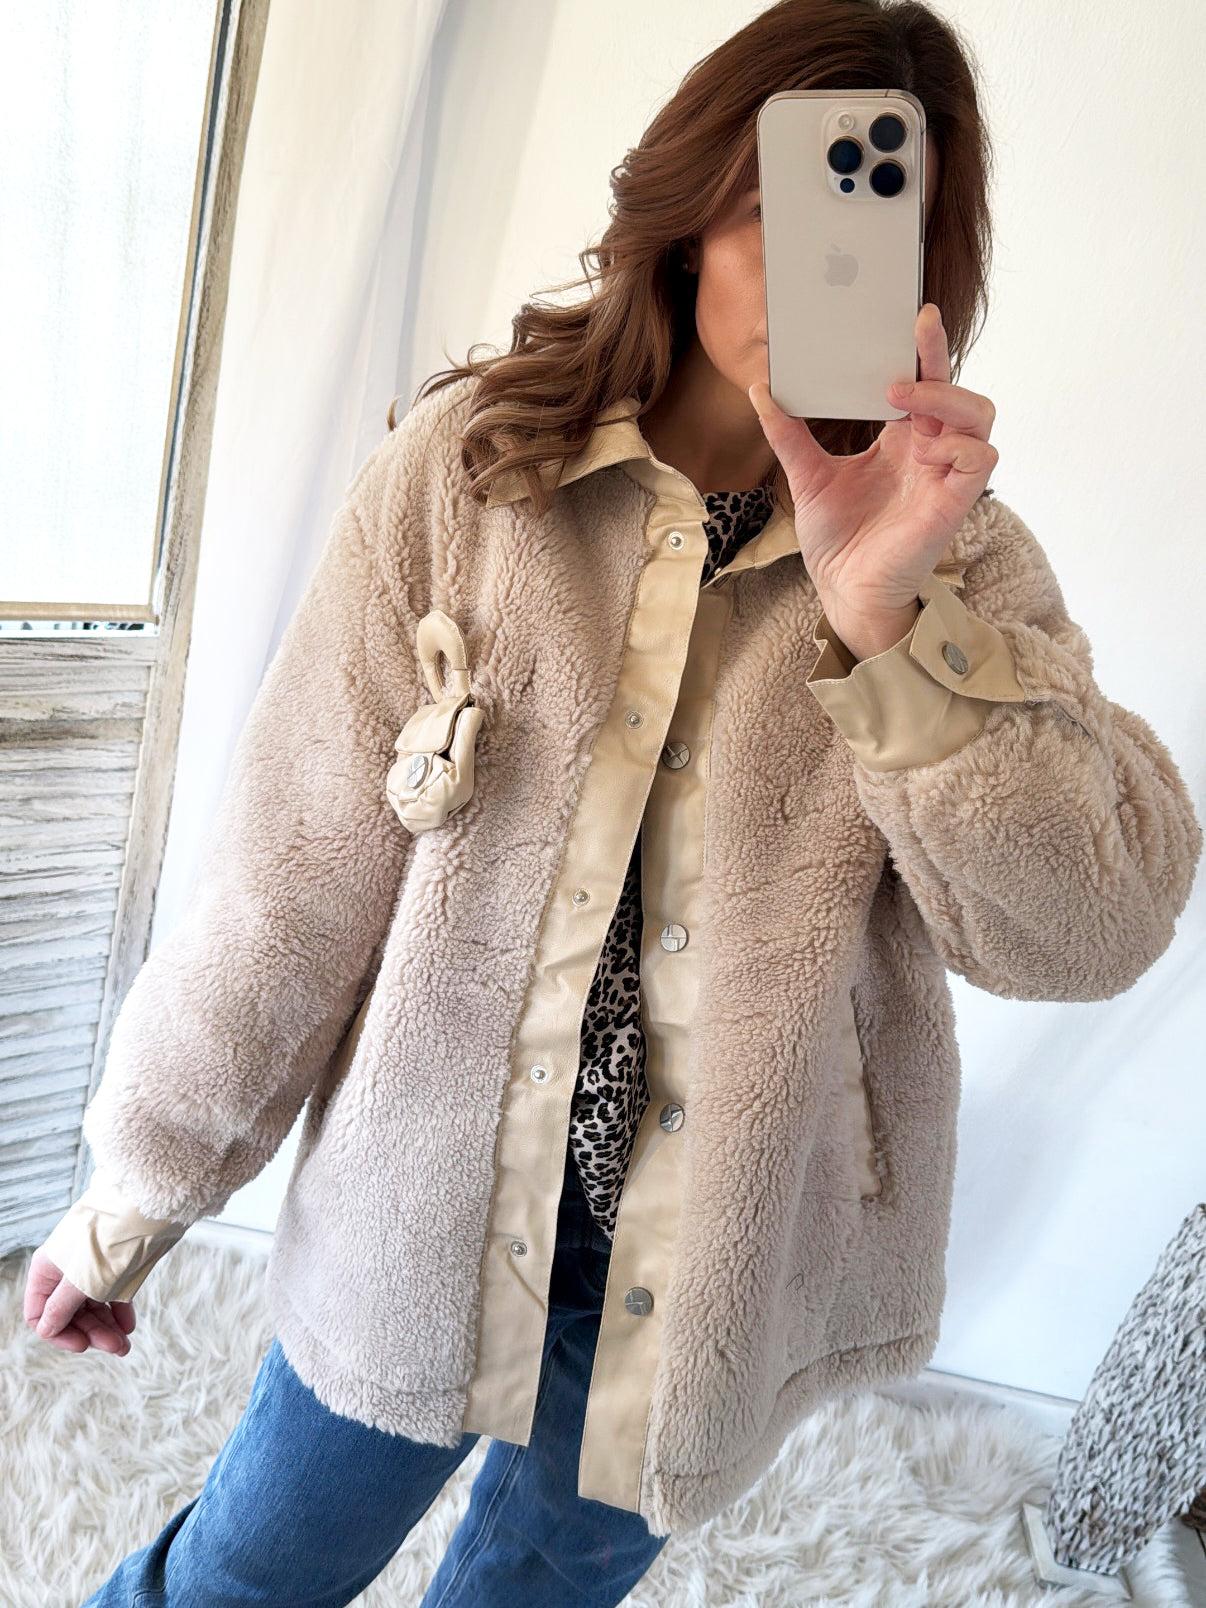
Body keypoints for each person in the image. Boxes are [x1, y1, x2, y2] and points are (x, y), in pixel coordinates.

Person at [26, 1, 1203, 1604]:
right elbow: (290, 871)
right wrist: (138, 1194)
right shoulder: (472, 470)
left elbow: (1088, 931)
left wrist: (890, 628)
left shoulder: (953, 561)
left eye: (871, 218)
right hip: (417, 1231)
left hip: (702, 1282)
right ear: (689, 208)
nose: (811, 261)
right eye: (775, 201)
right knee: (243, 1575)